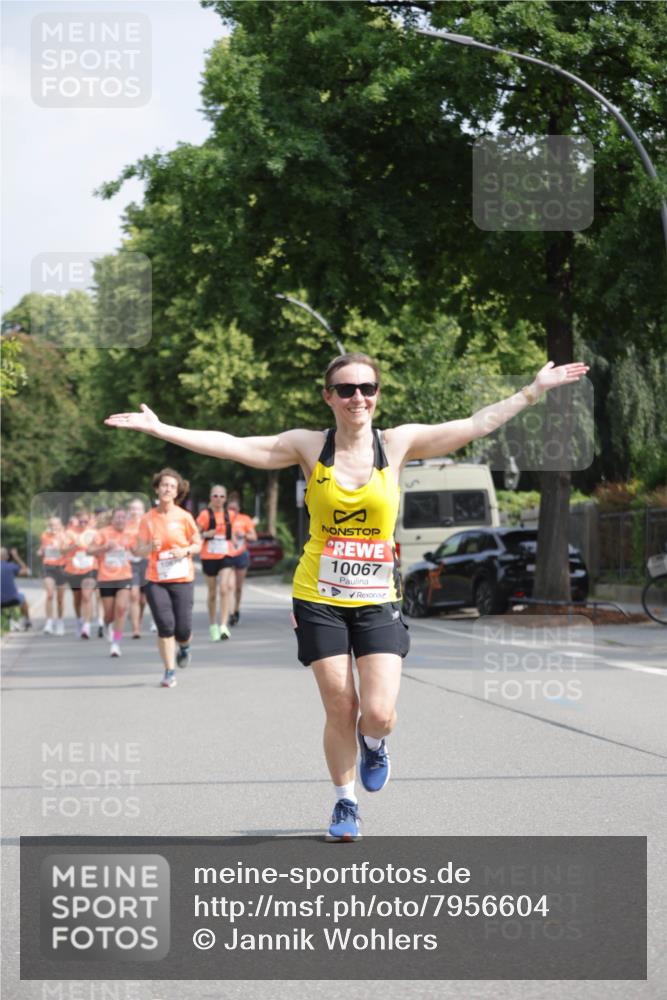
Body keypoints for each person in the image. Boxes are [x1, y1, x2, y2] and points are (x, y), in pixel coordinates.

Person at [106, 352, 589, 839]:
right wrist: (161, 429)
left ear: (377, 393)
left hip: (377, 596)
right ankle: (345, 803)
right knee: (340, 707)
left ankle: (374, 744)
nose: (358, 397)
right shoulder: (308, 446)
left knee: (377, 713)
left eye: (367, 388)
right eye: (346, 389)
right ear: (328, 396)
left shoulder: (398, 443)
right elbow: (231, 446)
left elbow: (475, 424)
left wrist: (534, 390)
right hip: (318, 594)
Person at [131, 469, 202, 688]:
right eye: (164, 485)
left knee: (183, 630)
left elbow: (198, 544)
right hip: (156, 578)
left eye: (172, 486)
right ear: (156, 488)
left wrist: (186, 551)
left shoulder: (184, 516)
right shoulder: (148, 519)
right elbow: (138, 550)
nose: (167, 489)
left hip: (182, 578)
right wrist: (149, 547)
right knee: (165, 626)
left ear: (177, 491)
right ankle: (169, 671)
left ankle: (185, 646)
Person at [88, 507, 135, 657]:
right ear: (112, 520)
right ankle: (107, 624)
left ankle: (116, 643)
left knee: (121, 609)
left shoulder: (131, 533)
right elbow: (89, 550)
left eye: (123, 517)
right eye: (117, 517)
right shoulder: (104, 533)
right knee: (109, 614)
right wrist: (104, 547)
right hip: (106, 578)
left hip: (124, 576)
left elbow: (138, 550)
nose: (120, 520)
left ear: (127, 520)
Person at [195, 484, 234, 640]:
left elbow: (236, 532)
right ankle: (213, 625)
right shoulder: (205, 515)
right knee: (212, 593)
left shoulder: (230, 514)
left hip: (226, 554)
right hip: (209, 556)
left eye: (221, 496)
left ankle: (223, 625)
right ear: (211, 498)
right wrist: (205, 533)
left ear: (225, 499)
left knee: (224, 588)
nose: (218, 499)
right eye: (215, 496)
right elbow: (194, 534)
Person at [62, 509, 98, 638]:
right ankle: (79, 620)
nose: (83, 524)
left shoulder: (94, 533)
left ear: (89, 520)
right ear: (77, 520)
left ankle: (86, 627)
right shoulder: (70, 532)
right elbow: (63, 550)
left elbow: (99, 548)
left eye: (86, 521)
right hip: (74, 568)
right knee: (77, 598)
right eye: (81, 521)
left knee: (87, 595)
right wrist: (74, 545)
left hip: (90, 568)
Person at [225, 492, 258, 627]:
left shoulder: (245, 519)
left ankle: (237, 609)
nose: (232, 511)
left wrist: (243, 534)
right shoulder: (223, 519)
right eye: (230, 509)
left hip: (241, 554)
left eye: (235, 509)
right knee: (229, 586)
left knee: (238, 587)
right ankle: (230, 612)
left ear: (239, 510)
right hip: (226, 554)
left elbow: (254, 537)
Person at [37, 516, 67, 635]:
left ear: (60, 526)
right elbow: (41, 550)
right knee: (49, 594)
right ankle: (49, 622)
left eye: (55, 525)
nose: (53, 527)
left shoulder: (65, 536)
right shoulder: (45, 536)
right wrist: (41, 551)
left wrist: (59, 545)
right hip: (48, 567)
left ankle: (60, 621)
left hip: (61, 567)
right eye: (51, 525)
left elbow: (67, 550)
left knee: (60, 599)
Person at [126, 498, 150, 638]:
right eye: (133, 509)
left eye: (138, 509)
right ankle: (136, 629)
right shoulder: (125, 526)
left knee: (143, 599)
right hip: (130, 563)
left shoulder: (148, 525)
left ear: (143, 511)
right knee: (134, 595)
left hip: (145, 563)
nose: (135, 511)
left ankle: (138, 621)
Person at [1, 547, 32, 630]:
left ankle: (10, 620)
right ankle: (27, 620)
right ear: (7, 557)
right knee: (23, 598)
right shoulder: (11, 566)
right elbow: (27, 571)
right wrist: (16, 557)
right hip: (13, 598)